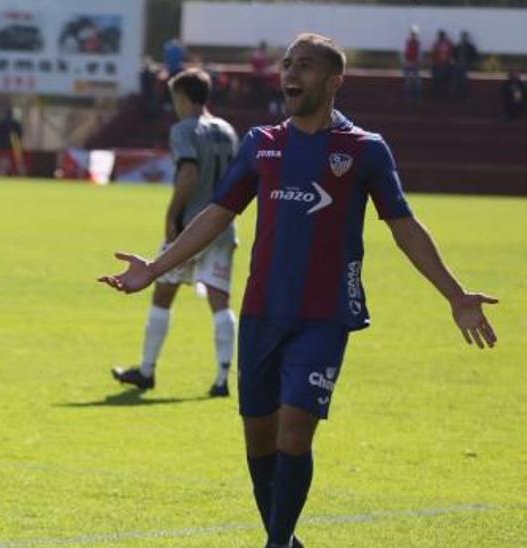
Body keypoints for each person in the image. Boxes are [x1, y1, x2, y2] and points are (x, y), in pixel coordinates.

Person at [99, 34, 498, 548]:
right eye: (288, 63)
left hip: (323, 315)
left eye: (305, 65)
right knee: (259, 439)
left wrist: (455, 294)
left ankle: (276, 543)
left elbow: (404, 227)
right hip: (263, 312)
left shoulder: (364, 150)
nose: (291, 72)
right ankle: (286, 542)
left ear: (334, 81)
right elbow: (218, 214)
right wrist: (156, 267)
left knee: (294, 432)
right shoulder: (261, 142)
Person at [110, 67, 239, 398]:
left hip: (191, 227)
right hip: (224, 227)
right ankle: (223, 378)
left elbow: (189, 175)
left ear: (182, 97)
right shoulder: (227, 130)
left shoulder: (184, 129)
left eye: (175, 98)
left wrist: (172, 214)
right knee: (220, 300)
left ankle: (147, 370)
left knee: (162, 293)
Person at [453, 31, 479, 101]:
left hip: (466, 67)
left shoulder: (470, 47)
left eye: (464, 37)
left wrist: (470, 64)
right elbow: (454, 55)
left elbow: (475, 56)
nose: (463, 38)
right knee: (456, 80)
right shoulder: (458, 46)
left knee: (464, 81)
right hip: (458, 66)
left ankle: (465, 97)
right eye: (462, 37)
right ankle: (457, 97)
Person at [430, 29, 453, 100]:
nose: (441, 37)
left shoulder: (448, 43)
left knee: (445, 82)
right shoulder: (436, 44)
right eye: (440, 35)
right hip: (437, 65)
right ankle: (436, 96)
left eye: (441, 35)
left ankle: (445, 97)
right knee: (436, 81)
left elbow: (450, 53)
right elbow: (433, 54)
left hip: (446, 66)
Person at [401, 27, 421, 102]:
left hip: (414, 64)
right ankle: (408, 98)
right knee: (408, 82)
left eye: (414, 34)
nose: (413, 36)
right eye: (412, 34)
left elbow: (419, 55)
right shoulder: (407, 43)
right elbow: (404, 54)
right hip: (408, 64)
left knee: (417, 82)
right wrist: (406, 63)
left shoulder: (418, 43)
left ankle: (417, 98)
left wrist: (416, 62)